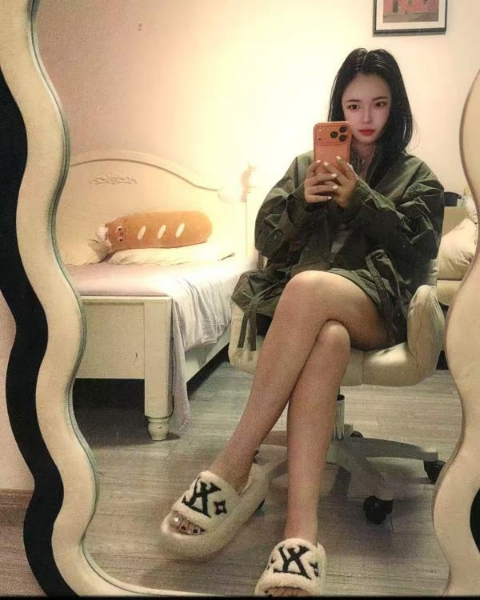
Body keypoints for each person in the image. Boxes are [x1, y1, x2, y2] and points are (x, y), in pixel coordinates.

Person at [160, 48, 444, 596]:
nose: (366, 117)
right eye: (354, 105)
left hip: (377, 307)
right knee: (327, 337)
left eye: (379, 104)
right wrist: (302, 204)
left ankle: (233, 462)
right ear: (338, 109)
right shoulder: (304, 166)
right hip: (308, 318)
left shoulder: (418, 176)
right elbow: (265, 239)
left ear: (396, 108)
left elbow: (420, 250)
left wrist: (361, 200)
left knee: (310, 286)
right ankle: (300, 535)